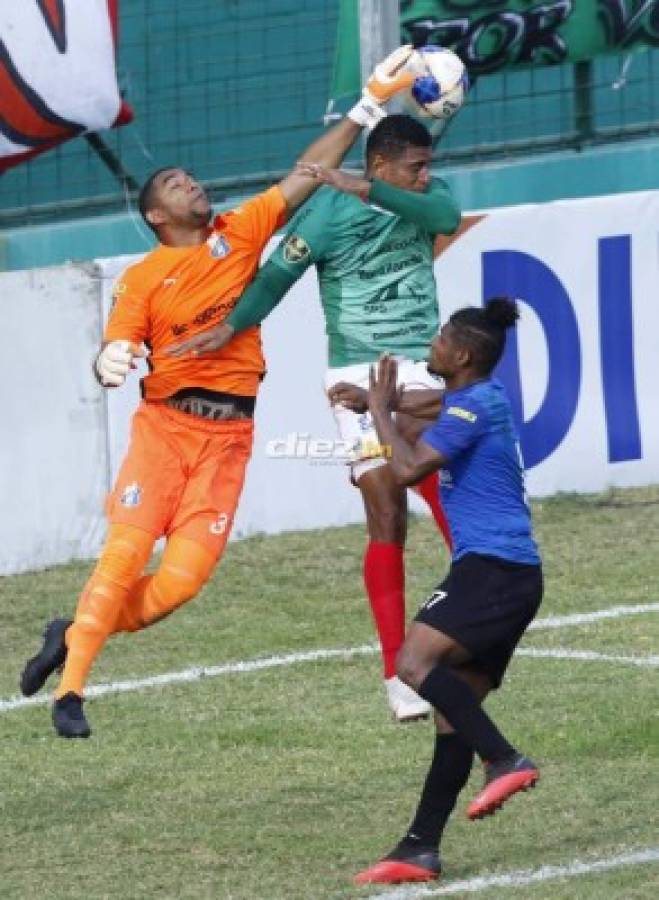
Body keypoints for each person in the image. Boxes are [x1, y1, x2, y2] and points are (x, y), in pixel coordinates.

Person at [18, 47, 418, 739]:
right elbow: (116, 344)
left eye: (190, 177)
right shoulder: (142, 278)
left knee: (178, 586)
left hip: (228, 441)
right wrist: (112, 356)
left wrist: (366, 105)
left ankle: (74, 627)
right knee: (122, 557)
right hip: (165, 432)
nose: (191, 184)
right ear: (154, 215)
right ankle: (71, 692)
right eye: (175, 184)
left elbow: (303, 175)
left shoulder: (238, 234)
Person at [167, 113, 461, 721]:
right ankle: (397, 676)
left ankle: (479, 612)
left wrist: (367, 188)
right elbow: (277, 274)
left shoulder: (427, 197)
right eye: (416, 166)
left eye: (428, 165)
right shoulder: (325, 214)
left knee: (449, 494)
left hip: (421, 368)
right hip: (354, 374)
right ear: (383, 164)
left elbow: (446, 222)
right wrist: (231, 325)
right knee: (385, 509)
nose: (428, 175)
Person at [352, 297, 543, 885]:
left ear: (459, 355)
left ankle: (506, 759)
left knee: (414, 664)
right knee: (450, 716)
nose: (429, 348)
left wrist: (380, 412)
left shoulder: (473, 408)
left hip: (491, 570)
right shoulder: (477, 398)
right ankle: (419, 849)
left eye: (437, 341)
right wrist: (374, 403)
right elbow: (427, 406)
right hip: (513, 576)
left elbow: (408, 470)